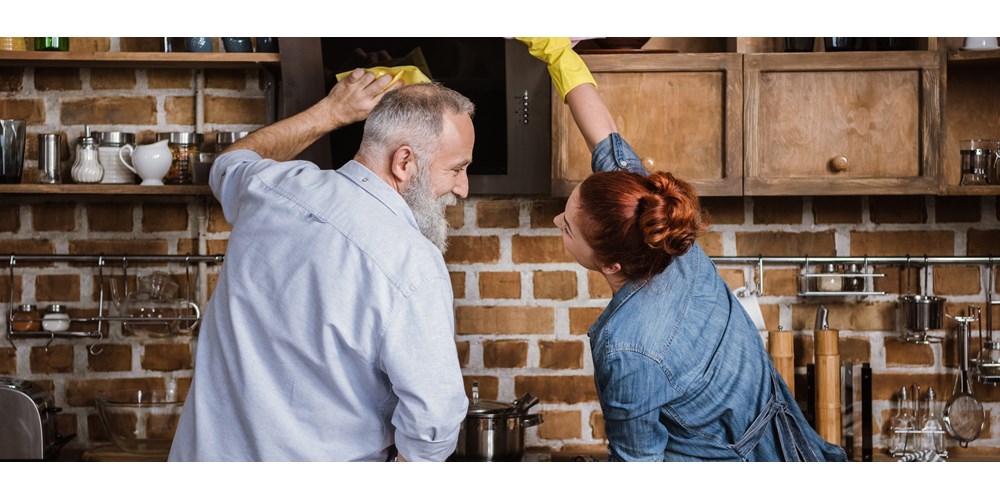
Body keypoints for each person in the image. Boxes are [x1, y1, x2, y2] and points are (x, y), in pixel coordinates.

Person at [519, 37, 847, 462]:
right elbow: (604, 134)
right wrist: (558, 51)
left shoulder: (627, 348)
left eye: (567, 228)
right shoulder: (657, 227)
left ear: (611, 262)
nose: (556, 222)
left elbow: (639, 468)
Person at [168, 68, 473, 461]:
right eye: (457, 168)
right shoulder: (412, 263)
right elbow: (435, 423)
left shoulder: (272, 188)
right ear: (404, 163)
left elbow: (228, 162)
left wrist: (332, 111)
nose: (463, 187)